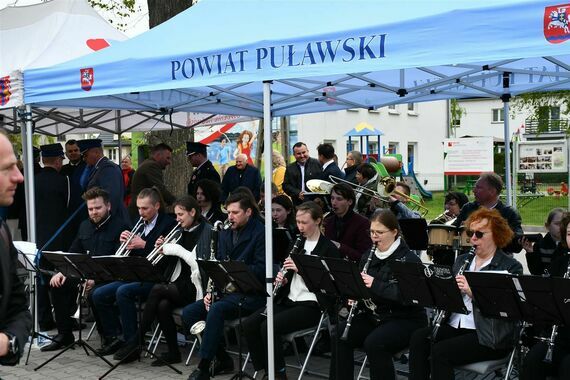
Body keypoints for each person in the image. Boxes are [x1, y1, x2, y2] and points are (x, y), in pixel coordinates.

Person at [408, 208, 523, 380]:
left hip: (488, 334)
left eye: (479, 234)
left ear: (497, 235)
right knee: (419, 338)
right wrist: (441, 289)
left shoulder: (510, 266)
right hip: (456, 325)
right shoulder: (462, 260)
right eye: (470, 233)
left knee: (441, 352)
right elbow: (446, 298)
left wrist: (472, 292)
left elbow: (510, 307)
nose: (473, 238)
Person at [243, 201, 341, 380]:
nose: (300, 227)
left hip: (312, 304)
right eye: (298, 222)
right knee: (250, 323)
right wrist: (284, 278)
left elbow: (331, 287)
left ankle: (279, 374)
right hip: (289, 300)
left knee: (268, 326)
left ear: (318, 221)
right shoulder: (296, 242)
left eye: (304, 223)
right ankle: (266, 369)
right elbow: (289, 275)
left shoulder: (329, 249)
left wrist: (301, 269)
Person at [114, 195, 211, 365]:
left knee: (158, 289)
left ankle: (137, 340)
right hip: (179, 282)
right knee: (162, 304)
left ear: (193, 212)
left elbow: (201, 265)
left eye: (180, 215)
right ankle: (173, 353)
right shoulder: (180, 231)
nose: (177, 219)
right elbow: (169, 264)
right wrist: (161, 248)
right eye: (175, 215)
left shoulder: (207, 231)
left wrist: (175, 249)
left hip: (196, 286)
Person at [331, 209, 426, 380]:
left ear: (394, 232)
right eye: (372, 232)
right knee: (339, 333)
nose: (374, 237)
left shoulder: (409, 259)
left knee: (375, 343)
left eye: (380, 232)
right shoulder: (369, 255)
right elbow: (361, 288)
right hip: (377, 316)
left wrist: (375, 284)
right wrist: (355, 296)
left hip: (405, 319)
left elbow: (408, 298)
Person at [183, 191, 267, 380]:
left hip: (252, 294)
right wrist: (212, 292)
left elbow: (262, 270)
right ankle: (223, 358)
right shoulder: (226, 232)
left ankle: (204, 366)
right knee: (190, 313)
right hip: (229, 291)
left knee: (217, 309)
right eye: (228, 212)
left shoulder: (261, 233)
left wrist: (235, 270)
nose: (230, 217)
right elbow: (219, 266)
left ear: (248, 212)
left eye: (235, 212)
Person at [91, 188, 177, 356]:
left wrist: (144, 245)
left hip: (156, 279)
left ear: (157, 206)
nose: (141, 212)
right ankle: (116, 337)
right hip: (135, 275)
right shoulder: (137, 222)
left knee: (124, 292)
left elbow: (167, 257)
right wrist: (126, 240)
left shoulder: (168, 224)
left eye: (145, 208)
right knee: (98, 294)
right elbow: (131, 253)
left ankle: (133, 344)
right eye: (138, 208)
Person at [43, 187, 130, 352]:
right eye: (90, 209)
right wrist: (62, 271)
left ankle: (109, 337)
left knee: (95, 293)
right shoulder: (84, 226)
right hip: (85, 274)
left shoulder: (120, 226)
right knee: (58, 284)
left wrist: (95, 279)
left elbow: (118, 263)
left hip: (109, 278)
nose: (94, 212)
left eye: (98, 208)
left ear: (108, 206)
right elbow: (74, 251)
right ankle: (65, 334)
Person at [520, 212, 570, 380]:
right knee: (531, 362)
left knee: (566, 368)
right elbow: (543, 289)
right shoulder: (562, 261)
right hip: (561, 334)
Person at [0, 132, 30, 366]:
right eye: (6, 168)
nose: (19, 177)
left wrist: (8, 341)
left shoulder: (2, 233)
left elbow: (19, 307)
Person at [34, 143, 70, 331]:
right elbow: (68, 207)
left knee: (40, 281)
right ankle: (64, 320)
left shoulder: (32, 182)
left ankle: (44, 319)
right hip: (59, 238)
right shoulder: (64, 181)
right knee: (59, 281)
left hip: (37, 238)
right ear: (57, 161)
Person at [452, 172, 523, 254]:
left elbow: (517, 246)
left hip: (497, 263)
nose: (474, 190)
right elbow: (453, 230)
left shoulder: (509, 213)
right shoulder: (468, 208)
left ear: (492, 191)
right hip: (468, 260)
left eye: (479, 188)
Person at [77, 138, 129, 222]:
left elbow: (111, 198)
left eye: (85, 155)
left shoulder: (108, 169)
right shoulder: (98, 168)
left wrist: (103, 221)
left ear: (96, 152)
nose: (83, 159)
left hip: (113, 221)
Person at [323, 183, 372, 262]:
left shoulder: (363, 223)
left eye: (339, 199)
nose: (334, 203)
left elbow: (363, 256)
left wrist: (340, 246)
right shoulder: (327, 221)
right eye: (332, 198)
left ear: (350, 201)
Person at [128, 143, 175, 220]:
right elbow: (160, 189)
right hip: (141, 211)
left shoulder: (148, 164)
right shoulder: (152, 166)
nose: (169, 162)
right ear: (158, 155)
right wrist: (176, 202)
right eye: (167, 158)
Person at [429, 191, 469, 266]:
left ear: (462, 206)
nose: (447, 207)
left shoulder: (468, 221)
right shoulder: (439, 222)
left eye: (451, 204)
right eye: (446, 204)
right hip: (443, 259)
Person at [522, 207, 566, 276]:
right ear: (547, 226)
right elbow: (536, 272)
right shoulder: (540, 245)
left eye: (564, 224)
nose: (561, 227)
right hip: (547, 284)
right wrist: (530, 252)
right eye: (557, 224)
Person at [271, 195, 298, 263]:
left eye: (278, 210)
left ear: (288, 211)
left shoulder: (295, 229)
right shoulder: (269, 227)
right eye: (272, 210)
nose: (275, 214)